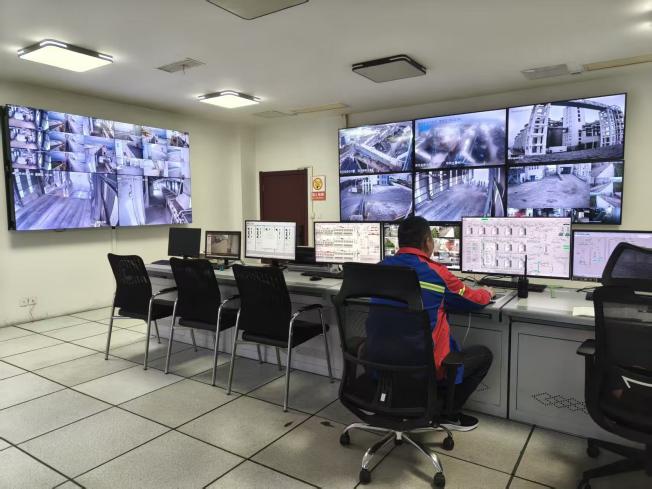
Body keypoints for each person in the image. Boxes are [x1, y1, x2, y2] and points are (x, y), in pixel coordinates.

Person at [380, 216, 495, 431]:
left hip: (381, 359)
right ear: (427, 242)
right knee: (483, 355)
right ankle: (448, 413)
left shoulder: (378, 269)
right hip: (424, 365)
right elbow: (473, 300)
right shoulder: (437, 274)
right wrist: (487, 292)